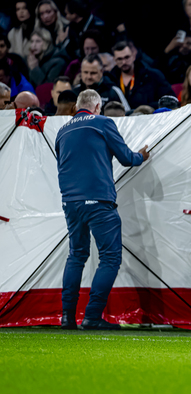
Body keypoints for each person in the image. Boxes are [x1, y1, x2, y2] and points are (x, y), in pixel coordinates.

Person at [55, 89, 149, 330]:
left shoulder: (63, 131)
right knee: (110, 257)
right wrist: (141, 156)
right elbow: (126, 158)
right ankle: (92, 316)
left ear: (77, 107)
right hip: (98, 201)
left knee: (76, 255)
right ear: (97, 107)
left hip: (70, 202)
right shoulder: (103, 123)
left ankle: (67, 317)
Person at [111, 41, 174, 110]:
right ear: (114, 60)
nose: (124, 62)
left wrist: (148, 107)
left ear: (134, 56)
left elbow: (170, 101)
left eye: (127, 57)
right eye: (120, 59)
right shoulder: (110, 80)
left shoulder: (153, 76)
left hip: (150, 117)